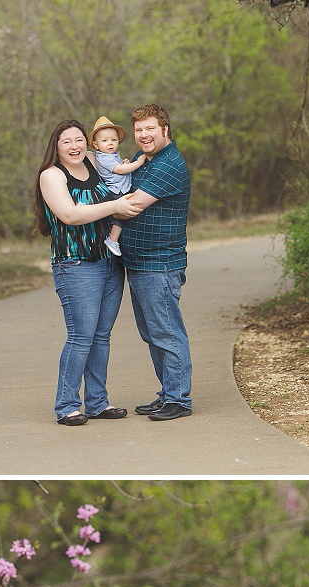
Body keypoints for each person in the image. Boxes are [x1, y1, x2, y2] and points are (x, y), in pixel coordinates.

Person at [34, 117, 135, 426]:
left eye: (79, 140)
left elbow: (112, 158)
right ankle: (66, 406)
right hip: (76, 264)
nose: (74, 146)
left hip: (110, 262)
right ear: (56, 146)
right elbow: (69, 214)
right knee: (81, 337)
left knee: (101, 337)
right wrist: (116, 205)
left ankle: (97, 402)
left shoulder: (93, 161)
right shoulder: (52, 176)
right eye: (66, 141)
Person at [118, 106, 194, 421]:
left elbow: (131, 205)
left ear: (165, 129)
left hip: (159, 263)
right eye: (138, 130)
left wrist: (94, 209)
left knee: (166, 332)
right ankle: (168, 394)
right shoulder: (145, 160)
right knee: (152, 333)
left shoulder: (169, 164)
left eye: (150, 129)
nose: (144, 135)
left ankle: (179, 400)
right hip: (139, 262)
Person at [87, 115, 147, 257]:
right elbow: (119, 170)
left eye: (114, 140)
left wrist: (124, 163)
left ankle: (115, 237)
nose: (110, 143)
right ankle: (112, 239)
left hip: (120, 188)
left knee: (125, 215)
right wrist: (137, 163)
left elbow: (119, 167)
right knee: (123, 215)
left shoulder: (111, 155)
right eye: (105, 140)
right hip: (117, 191)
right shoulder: (104, 157)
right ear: (96, 145)